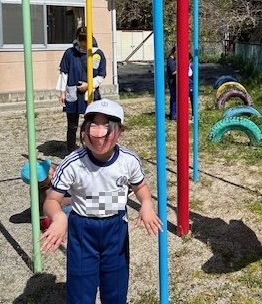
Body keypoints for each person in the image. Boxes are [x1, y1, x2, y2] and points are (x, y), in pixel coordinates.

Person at [39, 99, 162, 304]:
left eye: (107, 126)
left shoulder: (128, 160)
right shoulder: (72, 163)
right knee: (80, 290)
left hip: (116, 228)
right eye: (93, 125)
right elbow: (52, 199)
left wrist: (147, 205)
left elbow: (140, 187)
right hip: (82, 229)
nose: (98, 133)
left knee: (116, 287)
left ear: (120, 132)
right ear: (85, 129)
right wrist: (58, 217)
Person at [56, 26, 107, 153]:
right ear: (76, 39)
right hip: (72, 92)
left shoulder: (97, 54)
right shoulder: (70, 53)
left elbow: (101, 75)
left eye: (86, 40)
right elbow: (64, 73)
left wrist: (89, 85)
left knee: (92, 123)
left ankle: (92, 149)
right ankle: (71, 150)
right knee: (72, 125)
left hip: (90, 93)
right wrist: (62, 92)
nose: (83, 43)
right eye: (80, 40)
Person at [20, 160, 72, 230]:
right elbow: (59, 202)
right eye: (47, 175)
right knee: (78, 208)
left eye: (49, 169)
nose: (51, 172)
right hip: (49, 218)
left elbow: (55, 167)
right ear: (41, 184)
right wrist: (77, 199)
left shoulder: (48, 179)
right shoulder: (44, 192)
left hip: (55, 205)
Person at [166, 45, 177, 120]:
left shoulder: (174, 60)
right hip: (172, 82)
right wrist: (181, 69)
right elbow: (173, 72)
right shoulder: (171, 61)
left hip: (174, 81)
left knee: (174, 98)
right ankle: (173, 115)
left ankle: (173, 113)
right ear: (175, 52)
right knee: (174, 98)